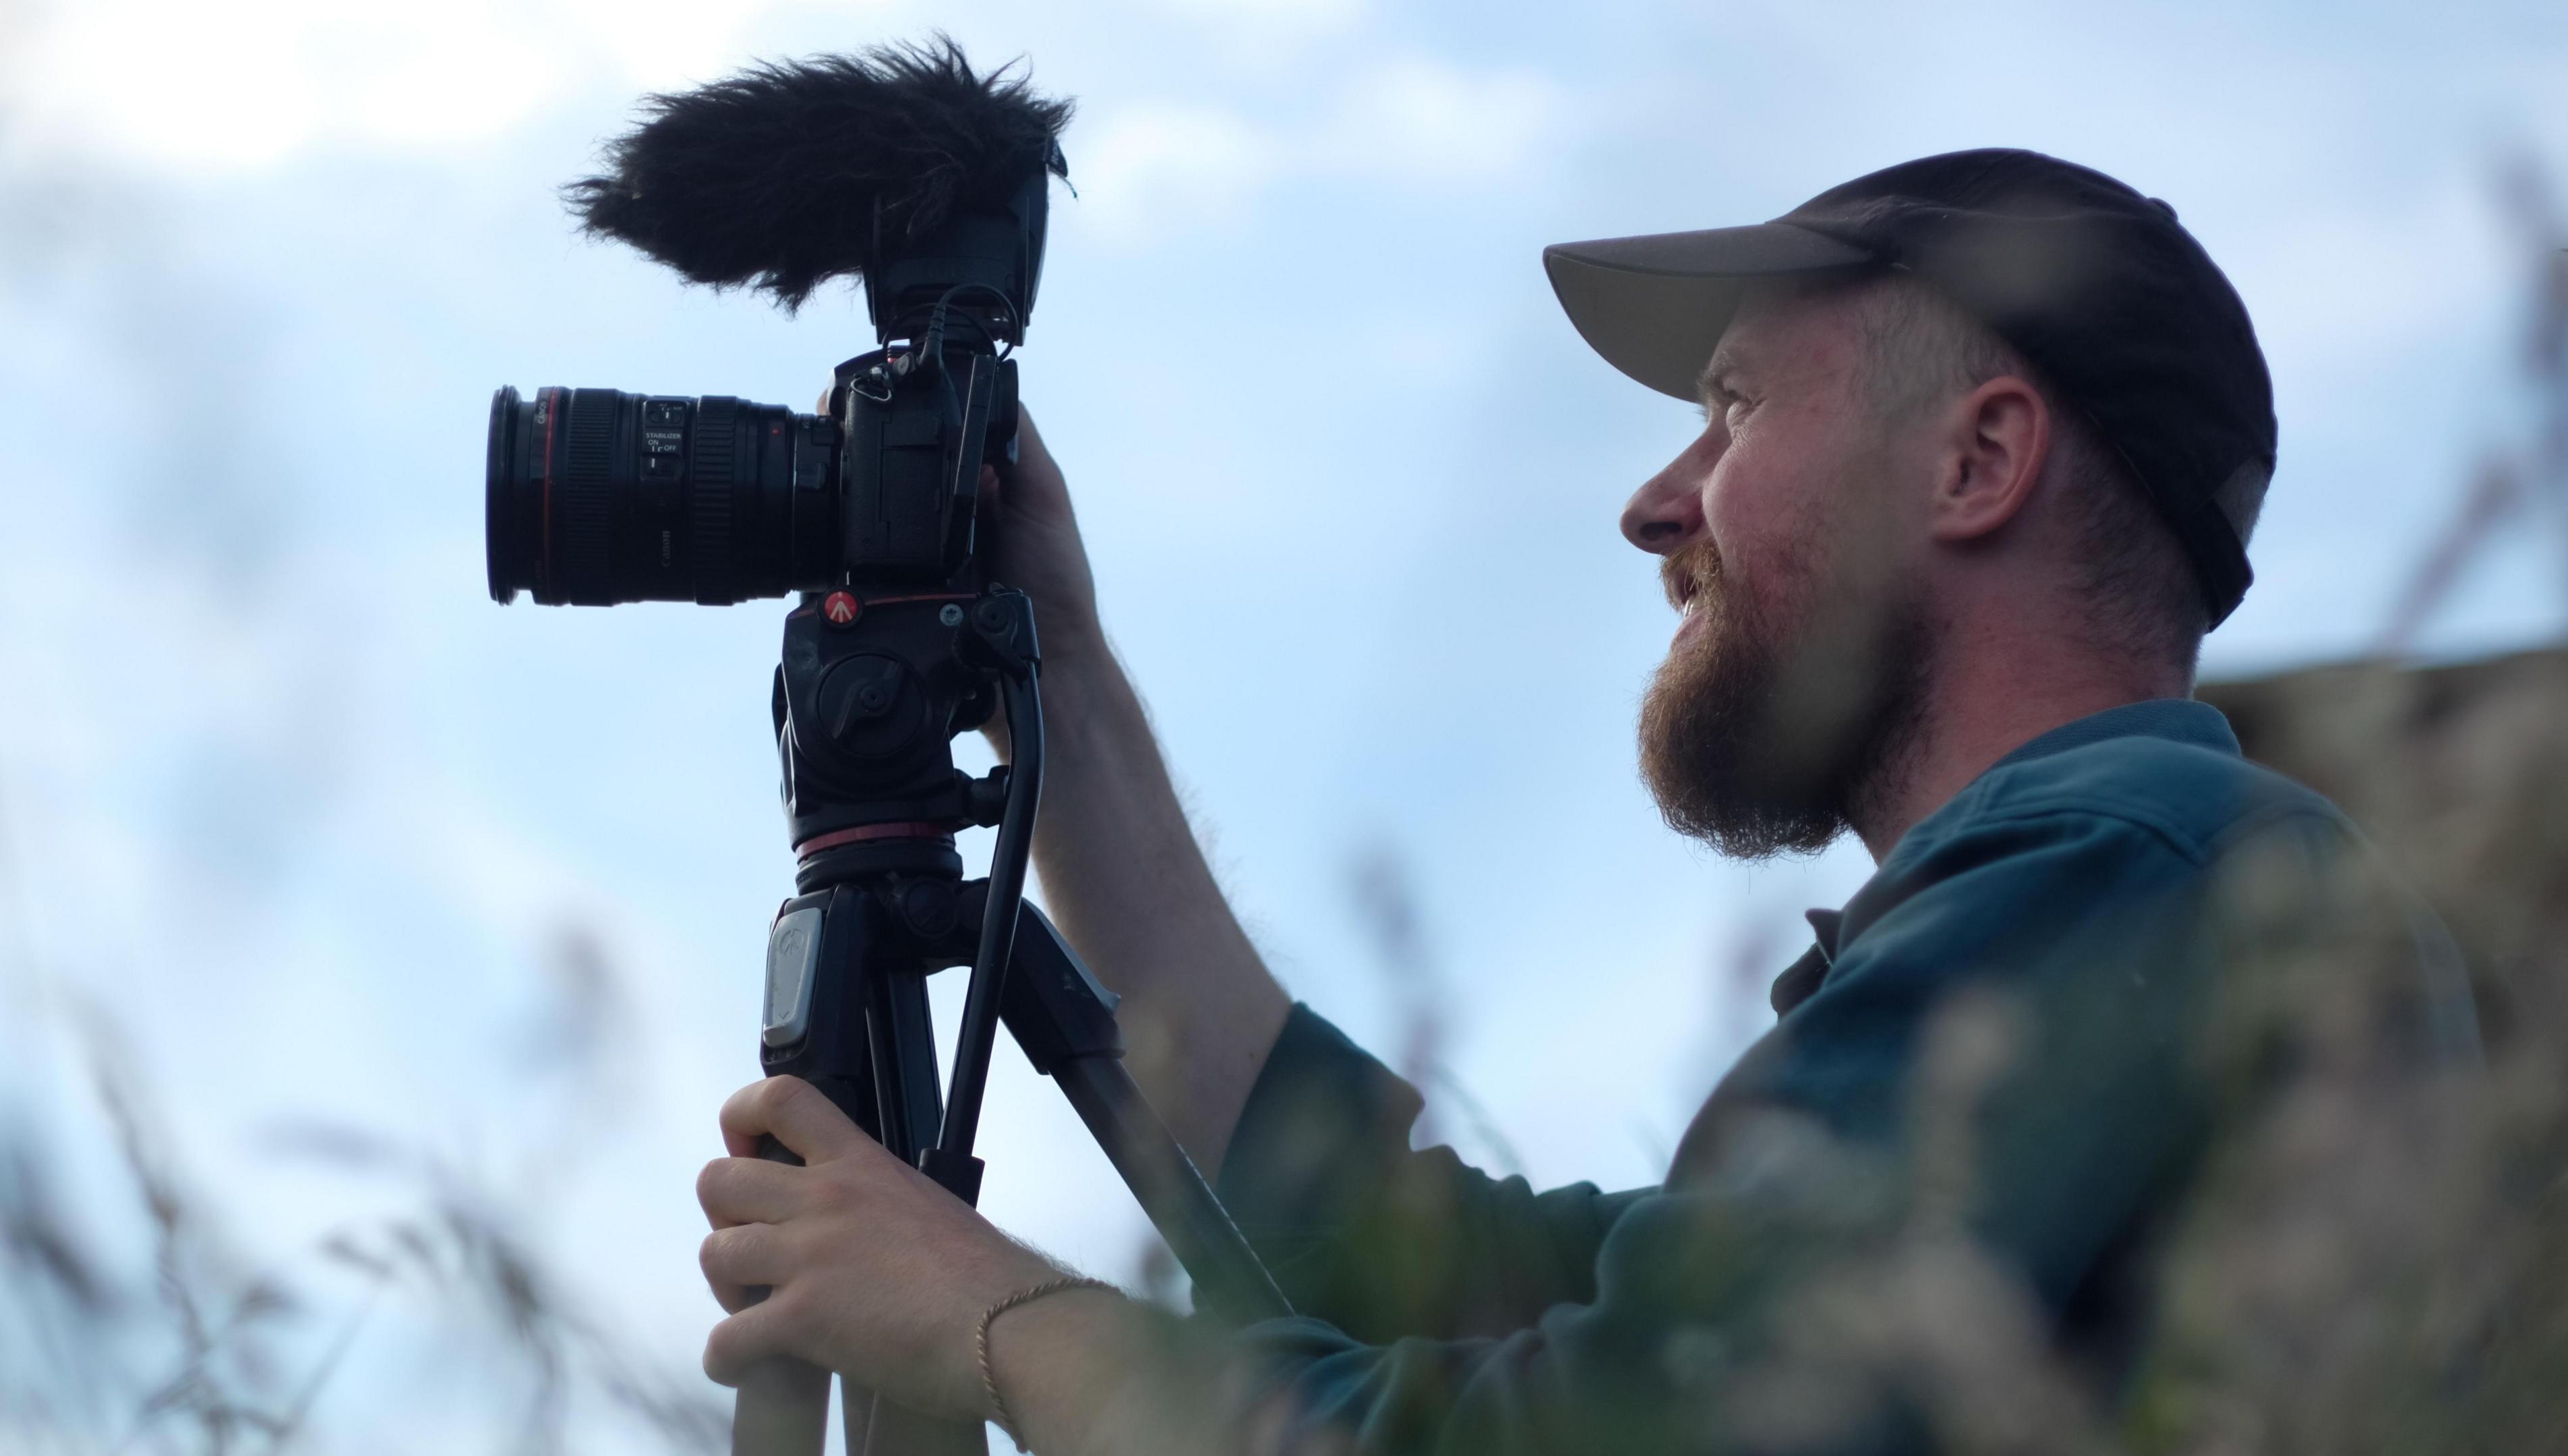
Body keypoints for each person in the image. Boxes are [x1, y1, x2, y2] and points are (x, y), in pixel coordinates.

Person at [686, 150, 2478, 1453]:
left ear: (1978, 460)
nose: (1656, 499)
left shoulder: (2142, 874)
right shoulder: (2125, 911)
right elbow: (1415, 1267)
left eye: (1732, 408)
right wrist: (1052, 656)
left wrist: (993, 1317)